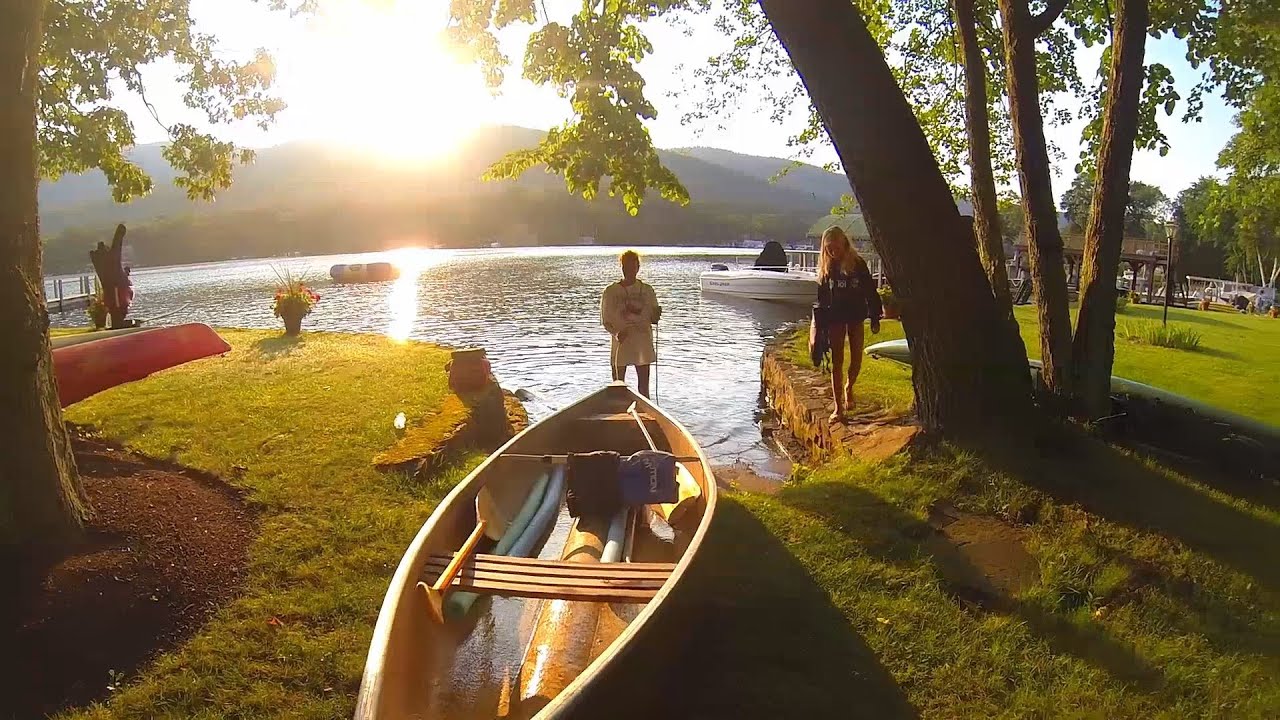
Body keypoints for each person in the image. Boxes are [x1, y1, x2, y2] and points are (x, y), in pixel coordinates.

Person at [817, 225, 882, 422]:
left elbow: (870, 291)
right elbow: (821, 299)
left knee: (856, 359)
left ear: (844, 244)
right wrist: (820, 327)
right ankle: (838, 408)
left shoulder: (858, 264)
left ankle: (849, 387)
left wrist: (875, 316)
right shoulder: (827, 267)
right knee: (837, 361)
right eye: (828, 248)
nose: (832, 252)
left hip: (856, 315)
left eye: (835, 247)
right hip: (835, 317)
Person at [601, 250, 662, 398]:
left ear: (638, 267)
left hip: (642, 343)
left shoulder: (647, 290)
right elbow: (606, 321)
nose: (630, 270)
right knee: (617, 387)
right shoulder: (610, 292)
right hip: (621, 344)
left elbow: (653, 319)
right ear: (621, 267)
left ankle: (645, 413)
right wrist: (616, 334)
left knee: (644, 389)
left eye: (633, 266)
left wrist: (657, 315)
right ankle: (618, 412)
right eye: (626, 267)